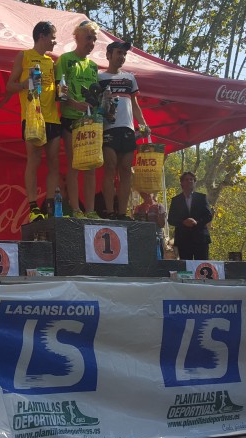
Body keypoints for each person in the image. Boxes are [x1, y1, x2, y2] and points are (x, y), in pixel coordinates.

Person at [6, 20, 62, 222]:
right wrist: (25, 83)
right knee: (34, 160)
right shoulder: (24, 56)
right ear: (42, 36)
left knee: (54, 162)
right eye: (53, 37)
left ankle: (49, 205)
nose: (54, 42)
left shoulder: (52, 63)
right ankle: (33, 207)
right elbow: (9, 86)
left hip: (52, 118)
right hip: (32, 116)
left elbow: (56, 91)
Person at [98, 40, 150, 220]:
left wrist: (143, 124)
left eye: (124, 54)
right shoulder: (99, 77)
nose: (122, 57)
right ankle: (109, 210)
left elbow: (135, 105)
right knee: (110, 167)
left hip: (127, 128)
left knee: (126, 170)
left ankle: (122, 212)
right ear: (109, 55)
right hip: (108, 128)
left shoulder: (130, 78)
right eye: (119, 53)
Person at [56, 20, 101, 219]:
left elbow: (95, 94)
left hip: (90, 121)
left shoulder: (93, 66)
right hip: (70, 119)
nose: (91, 43)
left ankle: (90, 211)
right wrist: (74, 104)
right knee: (74, 165)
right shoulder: (65, 60)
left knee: (90, 165)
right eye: (88, 38)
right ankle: (75, 209)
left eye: (94, 39)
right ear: (77, 37)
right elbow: (59, 91)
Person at [168, 171, 213, 260]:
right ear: (182, 183)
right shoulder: (176, 200)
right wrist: (183, 222)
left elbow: (208, 215)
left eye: (192, 180)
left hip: (200, 239)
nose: (190, 181)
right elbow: (171, 219)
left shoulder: (202, 198)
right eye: (187, 180)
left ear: (195, 182)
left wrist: (196, 222)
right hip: (183, 240)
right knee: (186, 268)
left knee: (201, 267)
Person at [133, 191, 166, 259]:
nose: (147, 194)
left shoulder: (159, 206)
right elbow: (136, 225)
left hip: (158, 238)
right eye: (144, 192)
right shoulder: (138, 208)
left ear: (153, 193)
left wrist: (158, 214)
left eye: (149, 192)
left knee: (159, 261)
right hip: (143, 238)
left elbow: (162, 225)